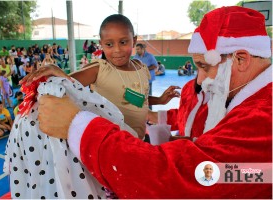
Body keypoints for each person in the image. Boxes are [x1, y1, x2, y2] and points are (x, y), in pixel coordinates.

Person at [33, 6, 271, 198]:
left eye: (205, 67)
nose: (200, 80)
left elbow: (195, 177)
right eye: (109, 44)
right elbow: (238, 173)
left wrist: (77, 125)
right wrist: (187, 140)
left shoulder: (262, 119)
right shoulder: (237, 97)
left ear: (240, 59)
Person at [22, 14, 179, 141]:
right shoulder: (100, 69)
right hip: (113, 145)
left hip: (138, 140)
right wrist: (56, 71)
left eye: (123, 42)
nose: (117, 50)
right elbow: (66, 84)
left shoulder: (141, 67)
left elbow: (139, 99)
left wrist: (159, 100)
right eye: (109, 44)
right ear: (101, 44)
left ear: (135, 40)